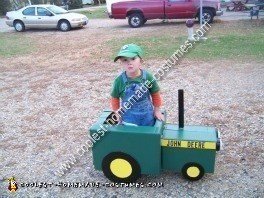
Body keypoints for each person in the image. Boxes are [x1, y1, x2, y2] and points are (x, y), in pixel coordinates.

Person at [110, 44, 164, 126]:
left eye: (133, 59)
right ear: (121, 62)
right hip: (128, 119)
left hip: (147, 117)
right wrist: (117, 113)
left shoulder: (148, 77)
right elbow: (114, 98)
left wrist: (157, 110)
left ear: (141, 61)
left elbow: (155, 93)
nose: (129, 63)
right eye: (125, 60)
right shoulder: (119, 81)